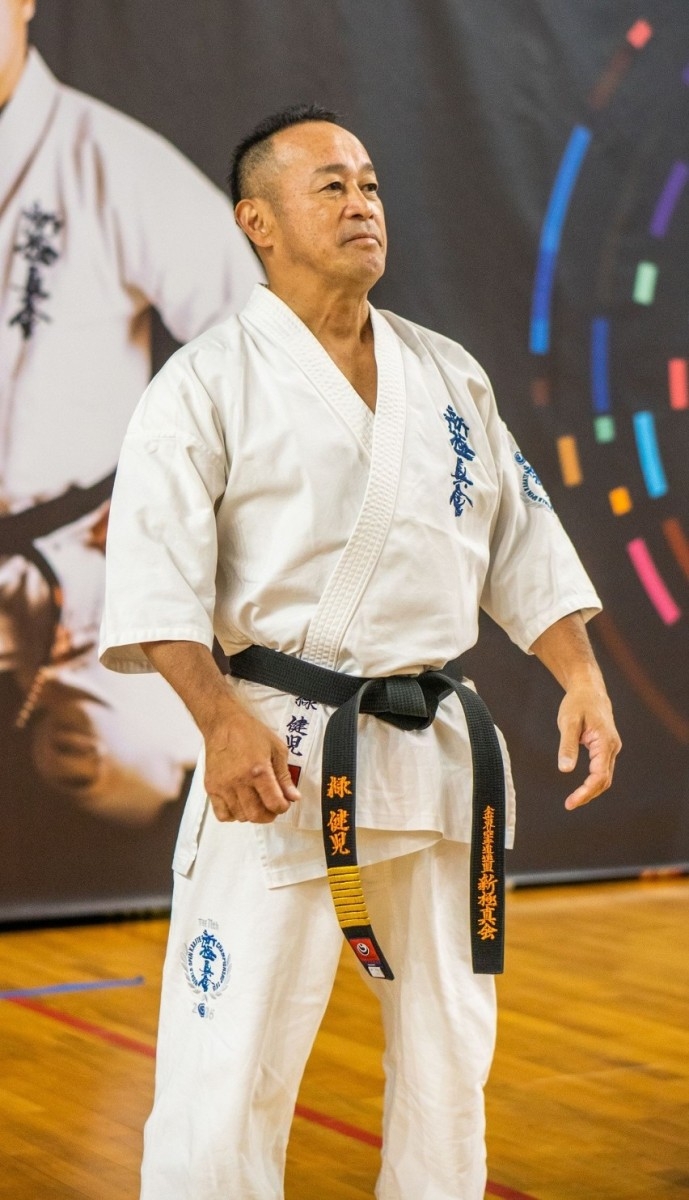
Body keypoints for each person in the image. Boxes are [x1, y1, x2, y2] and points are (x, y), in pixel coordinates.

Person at [100, 103, 621, 1199]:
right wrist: (218, 721)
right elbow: (154, 579)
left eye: (370, 183)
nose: (361, 204)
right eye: (330, 185)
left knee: (448, 1051)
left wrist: (578, 675)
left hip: (431, 750)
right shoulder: (204, 382)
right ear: (257, 222)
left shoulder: (446, 373)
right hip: (277, 753)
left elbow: (519, 539)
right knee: (231, 1054)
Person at [0, 0, 262, 822]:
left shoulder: (110, 161)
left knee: (133, 761)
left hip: (71, 558)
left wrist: (181, 490)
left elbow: (259, 343)